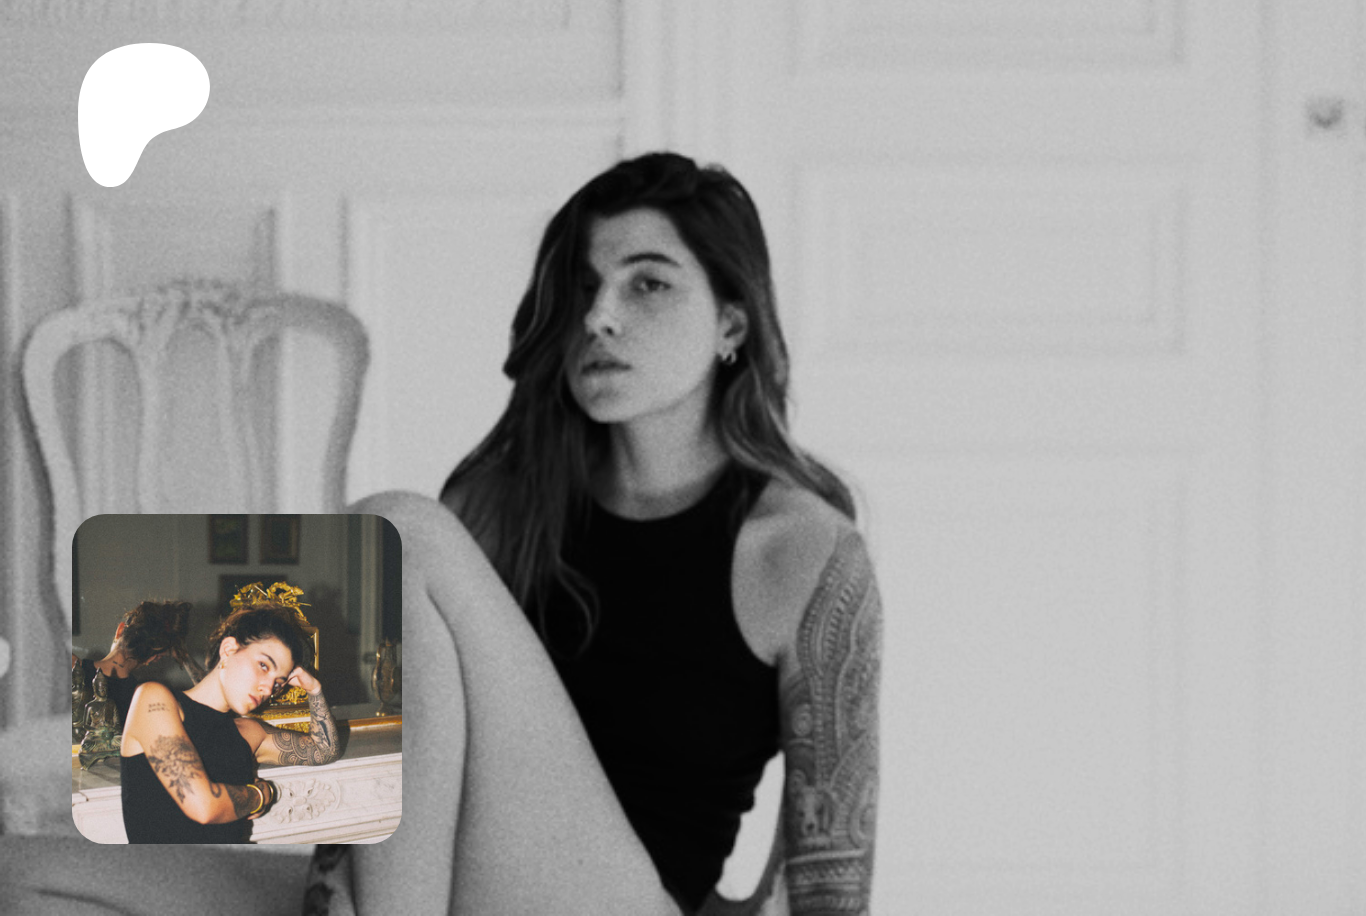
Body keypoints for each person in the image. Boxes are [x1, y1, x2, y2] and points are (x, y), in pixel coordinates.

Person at [313, 152, 883, 915]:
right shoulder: (502, 501)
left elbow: (832, 884)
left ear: (730, 323)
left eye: (647, 283)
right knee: (137, 820)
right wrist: (332, 874)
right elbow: (388, 740)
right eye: (584, 286)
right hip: (447, 883)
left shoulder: (799, 547)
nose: (597, 316)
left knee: (394, 532)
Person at [118, 603, 343, 843]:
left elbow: (325, 750)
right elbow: (204, 807)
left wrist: (314, 689)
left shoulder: (249, 732)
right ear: (228, 649)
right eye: (263, 665)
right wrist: (262, 794)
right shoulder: (154, 700)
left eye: (278, 682)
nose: (268, 688)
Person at [72, 598, 204, 723]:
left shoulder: (74, 667)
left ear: (120, 630)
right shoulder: (142, 698)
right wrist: (183, 655)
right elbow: (206, 700)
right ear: (153, 658)